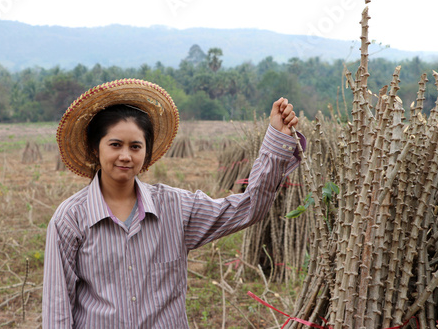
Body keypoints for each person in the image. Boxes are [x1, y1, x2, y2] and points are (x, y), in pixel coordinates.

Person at [42, 78, 305, 328]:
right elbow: (58, 307)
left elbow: (249, 208)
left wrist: (276, 137)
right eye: (115, 144)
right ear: (95, 148)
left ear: (146, 153)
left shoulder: (175, 208)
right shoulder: (71, 218)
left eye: (135, 146)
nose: (125, 155)